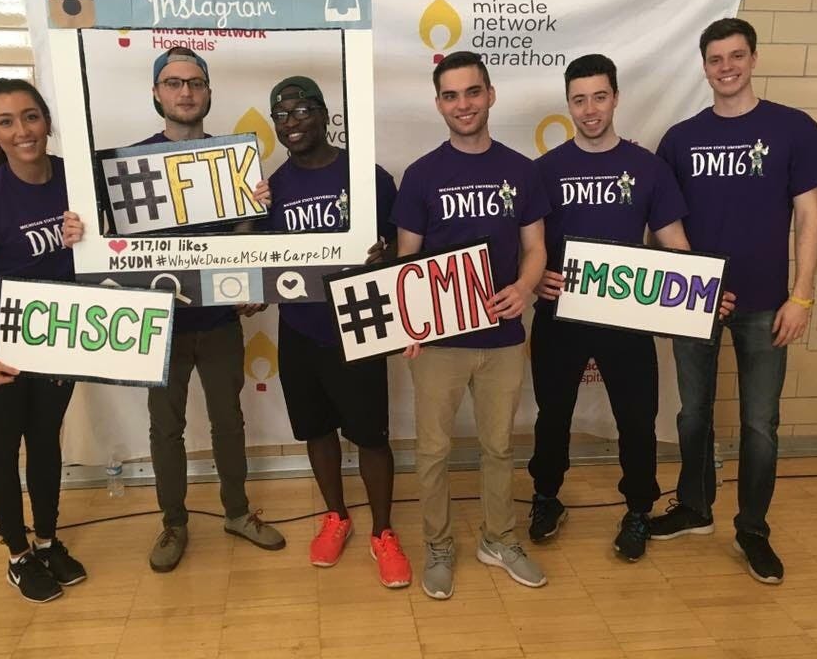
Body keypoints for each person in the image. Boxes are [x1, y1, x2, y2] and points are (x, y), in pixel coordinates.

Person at [63, 47, 284, 573]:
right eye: (173, 82)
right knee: (165, 428)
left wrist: (257, 214)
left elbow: (246, 242)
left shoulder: (234, 164)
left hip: (218, 321)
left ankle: (236, 512)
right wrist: (80, 232)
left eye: (195, 82)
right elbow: (104, 239)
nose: (185, 91)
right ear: (157, 93)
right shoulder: (127, 166)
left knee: (229, 421)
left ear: (208, 91)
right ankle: (174, 523)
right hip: (156, 325)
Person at [651, 18, 817, 584]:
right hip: (696, 302)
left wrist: (802, 295)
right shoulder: (679, 139)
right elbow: (666, 223)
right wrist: (690, 287)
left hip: (768, 304)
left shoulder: (793, 128)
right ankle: (694, 507)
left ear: (753, 59)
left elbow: (809, 215)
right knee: (692, 413)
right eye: (715, 59)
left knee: (760, 423)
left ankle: (753, 529)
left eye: (736, 56)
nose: (726, 67)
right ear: (703, 66)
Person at [392, 51, 549, 600]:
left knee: (499, 447)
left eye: (473, 92)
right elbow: (405, 261)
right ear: (439, 103)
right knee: (433, 451)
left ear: (490, 95)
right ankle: (438, 545)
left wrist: (525, 287)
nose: (464, 104)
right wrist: (407, 324)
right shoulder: (421, 175)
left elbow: (536, 247)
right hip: (438, 344)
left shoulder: (521, 170)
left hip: (504, 340)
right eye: (452, 95)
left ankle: (499, 539)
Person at [526, 54, 691, 562]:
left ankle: (639, 510)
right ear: (568, 104)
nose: (590, 108)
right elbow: (526, 245)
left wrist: (699, 290)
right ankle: (546, 497)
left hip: (626, 317)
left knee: (637, 419)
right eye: (579, 99)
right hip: (560, 314)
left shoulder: (648, 169)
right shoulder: (545, 170)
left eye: (599, 96)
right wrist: (536, 281)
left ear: (616, 97)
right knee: (552, 415)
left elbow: (675, 244)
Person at [261, 76, 411, 588]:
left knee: (370, 434)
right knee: (316, 429)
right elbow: (256, 259)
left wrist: (388, 254)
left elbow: (400, 245)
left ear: (325, 115)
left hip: (359, 321)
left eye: (301, 111)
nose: (291, 123)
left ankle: (384, 532)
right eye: (281, 116)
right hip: (299, 325)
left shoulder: (369, 176)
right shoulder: (273, 188)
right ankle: (336, 517)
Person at [0, 78, 86, 603]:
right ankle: (18, 554)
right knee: (4, 446)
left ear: (47, 121)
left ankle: (48, 540)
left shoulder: (75, 180)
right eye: (6, 122)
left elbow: (114, 251)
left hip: (55, 337)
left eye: (30, 116)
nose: (22, 130)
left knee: (46, 440)